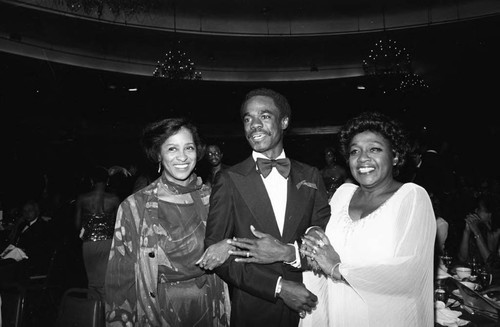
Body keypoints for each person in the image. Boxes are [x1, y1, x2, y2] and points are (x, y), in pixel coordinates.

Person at [202, 88, 331, 327]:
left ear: (284, 122)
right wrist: (279, 288)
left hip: (312, 304)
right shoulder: (229, 179)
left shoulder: (311, 175)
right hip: (255, 308)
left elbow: (325, 240)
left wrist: (291, 256)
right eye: (248, 119)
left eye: (264, 116)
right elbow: (215, 253)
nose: (254, 125)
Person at [300, 111, 436, 327]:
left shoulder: (412, 197)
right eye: (355, 151)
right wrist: (312, 233)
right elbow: (321, 247)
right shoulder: (343, 195)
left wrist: (336, 268)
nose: (363, 158)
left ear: (396, 156)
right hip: (341, 315)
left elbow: (408, 275)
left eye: (374, 149)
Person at [104, 117, 231, 327]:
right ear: (158, 155)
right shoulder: (135, 206)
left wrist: (229, 245)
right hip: (157, 309)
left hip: (208, 304)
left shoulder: (212, 199)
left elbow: (240, 242)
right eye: (172, 149)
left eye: (188, 148)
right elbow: (120, 277)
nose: (182, 156)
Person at [75, 165, 121, 301]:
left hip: (89, 243)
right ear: (107, 181)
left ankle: (93, 314)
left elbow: (77, 225)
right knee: (104, 281)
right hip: (108, 243)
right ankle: (105, 316)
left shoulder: (83, 198)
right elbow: (120, 224)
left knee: (92, 282)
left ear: (91, 181)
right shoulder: (114, 199)